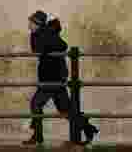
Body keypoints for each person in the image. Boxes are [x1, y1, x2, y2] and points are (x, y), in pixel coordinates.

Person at [25, 10, 99, 145]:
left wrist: (45, 45)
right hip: (53, 77)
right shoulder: (38, 34)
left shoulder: (46, 33)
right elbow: (37, 49)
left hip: (53, 78)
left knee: (36, 104)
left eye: (31, 22)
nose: (29, 24)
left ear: (38, 23)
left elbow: (62, 45)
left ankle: (37, 136)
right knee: (65, 109)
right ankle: (88, 128)